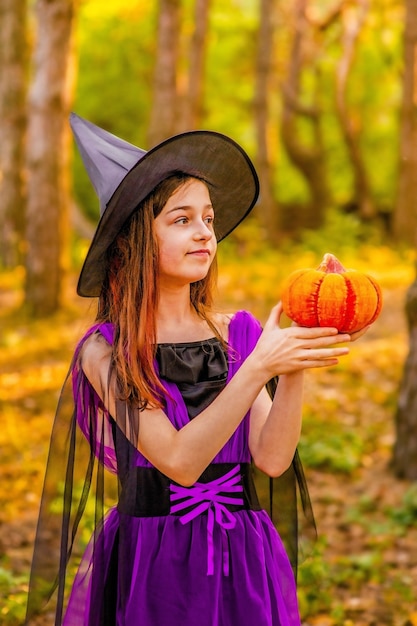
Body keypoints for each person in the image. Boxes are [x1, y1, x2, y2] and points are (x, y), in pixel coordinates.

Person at [26, 114, 366, 626]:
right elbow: (179, 462)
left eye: (208, 218)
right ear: (135, 239)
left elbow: (272, 459)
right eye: (182, 220)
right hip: (154, 560)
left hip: (243, 557)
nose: (205, 232)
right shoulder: (105, 352)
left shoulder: (238, 334)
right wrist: (259, 367)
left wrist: (291, 361)